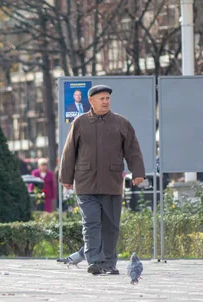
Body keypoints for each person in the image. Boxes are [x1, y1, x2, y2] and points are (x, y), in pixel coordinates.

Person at [59, 85, 145, 276]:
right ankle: (95, 261)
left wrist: (137, 172)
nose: (105, 101)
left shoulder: (121, 123)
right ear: (91, 101)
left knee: (111, 225)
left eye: (107, 98)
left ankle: (109, 263)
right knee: (91, 224)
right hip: (85, 183)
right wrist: (66, 177)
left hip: (112, 184)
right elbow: (69, 151)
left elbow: (132, 149)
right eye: (101, 98)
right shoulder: (80, 123)